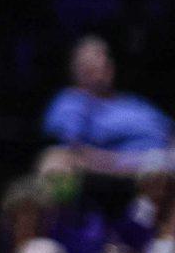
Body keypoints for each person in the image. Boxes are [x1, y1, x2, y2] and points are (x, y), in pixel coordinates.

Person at [44, 34, 172, 166]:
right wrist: (139, 162)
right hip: (128, 174)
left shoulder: (133, 101)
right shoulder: (71, 101)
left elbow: (168, 131)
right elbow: (74, 152)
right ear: (77, 69)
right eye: (93, 59)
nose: (102, 62)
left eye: (105, 57)